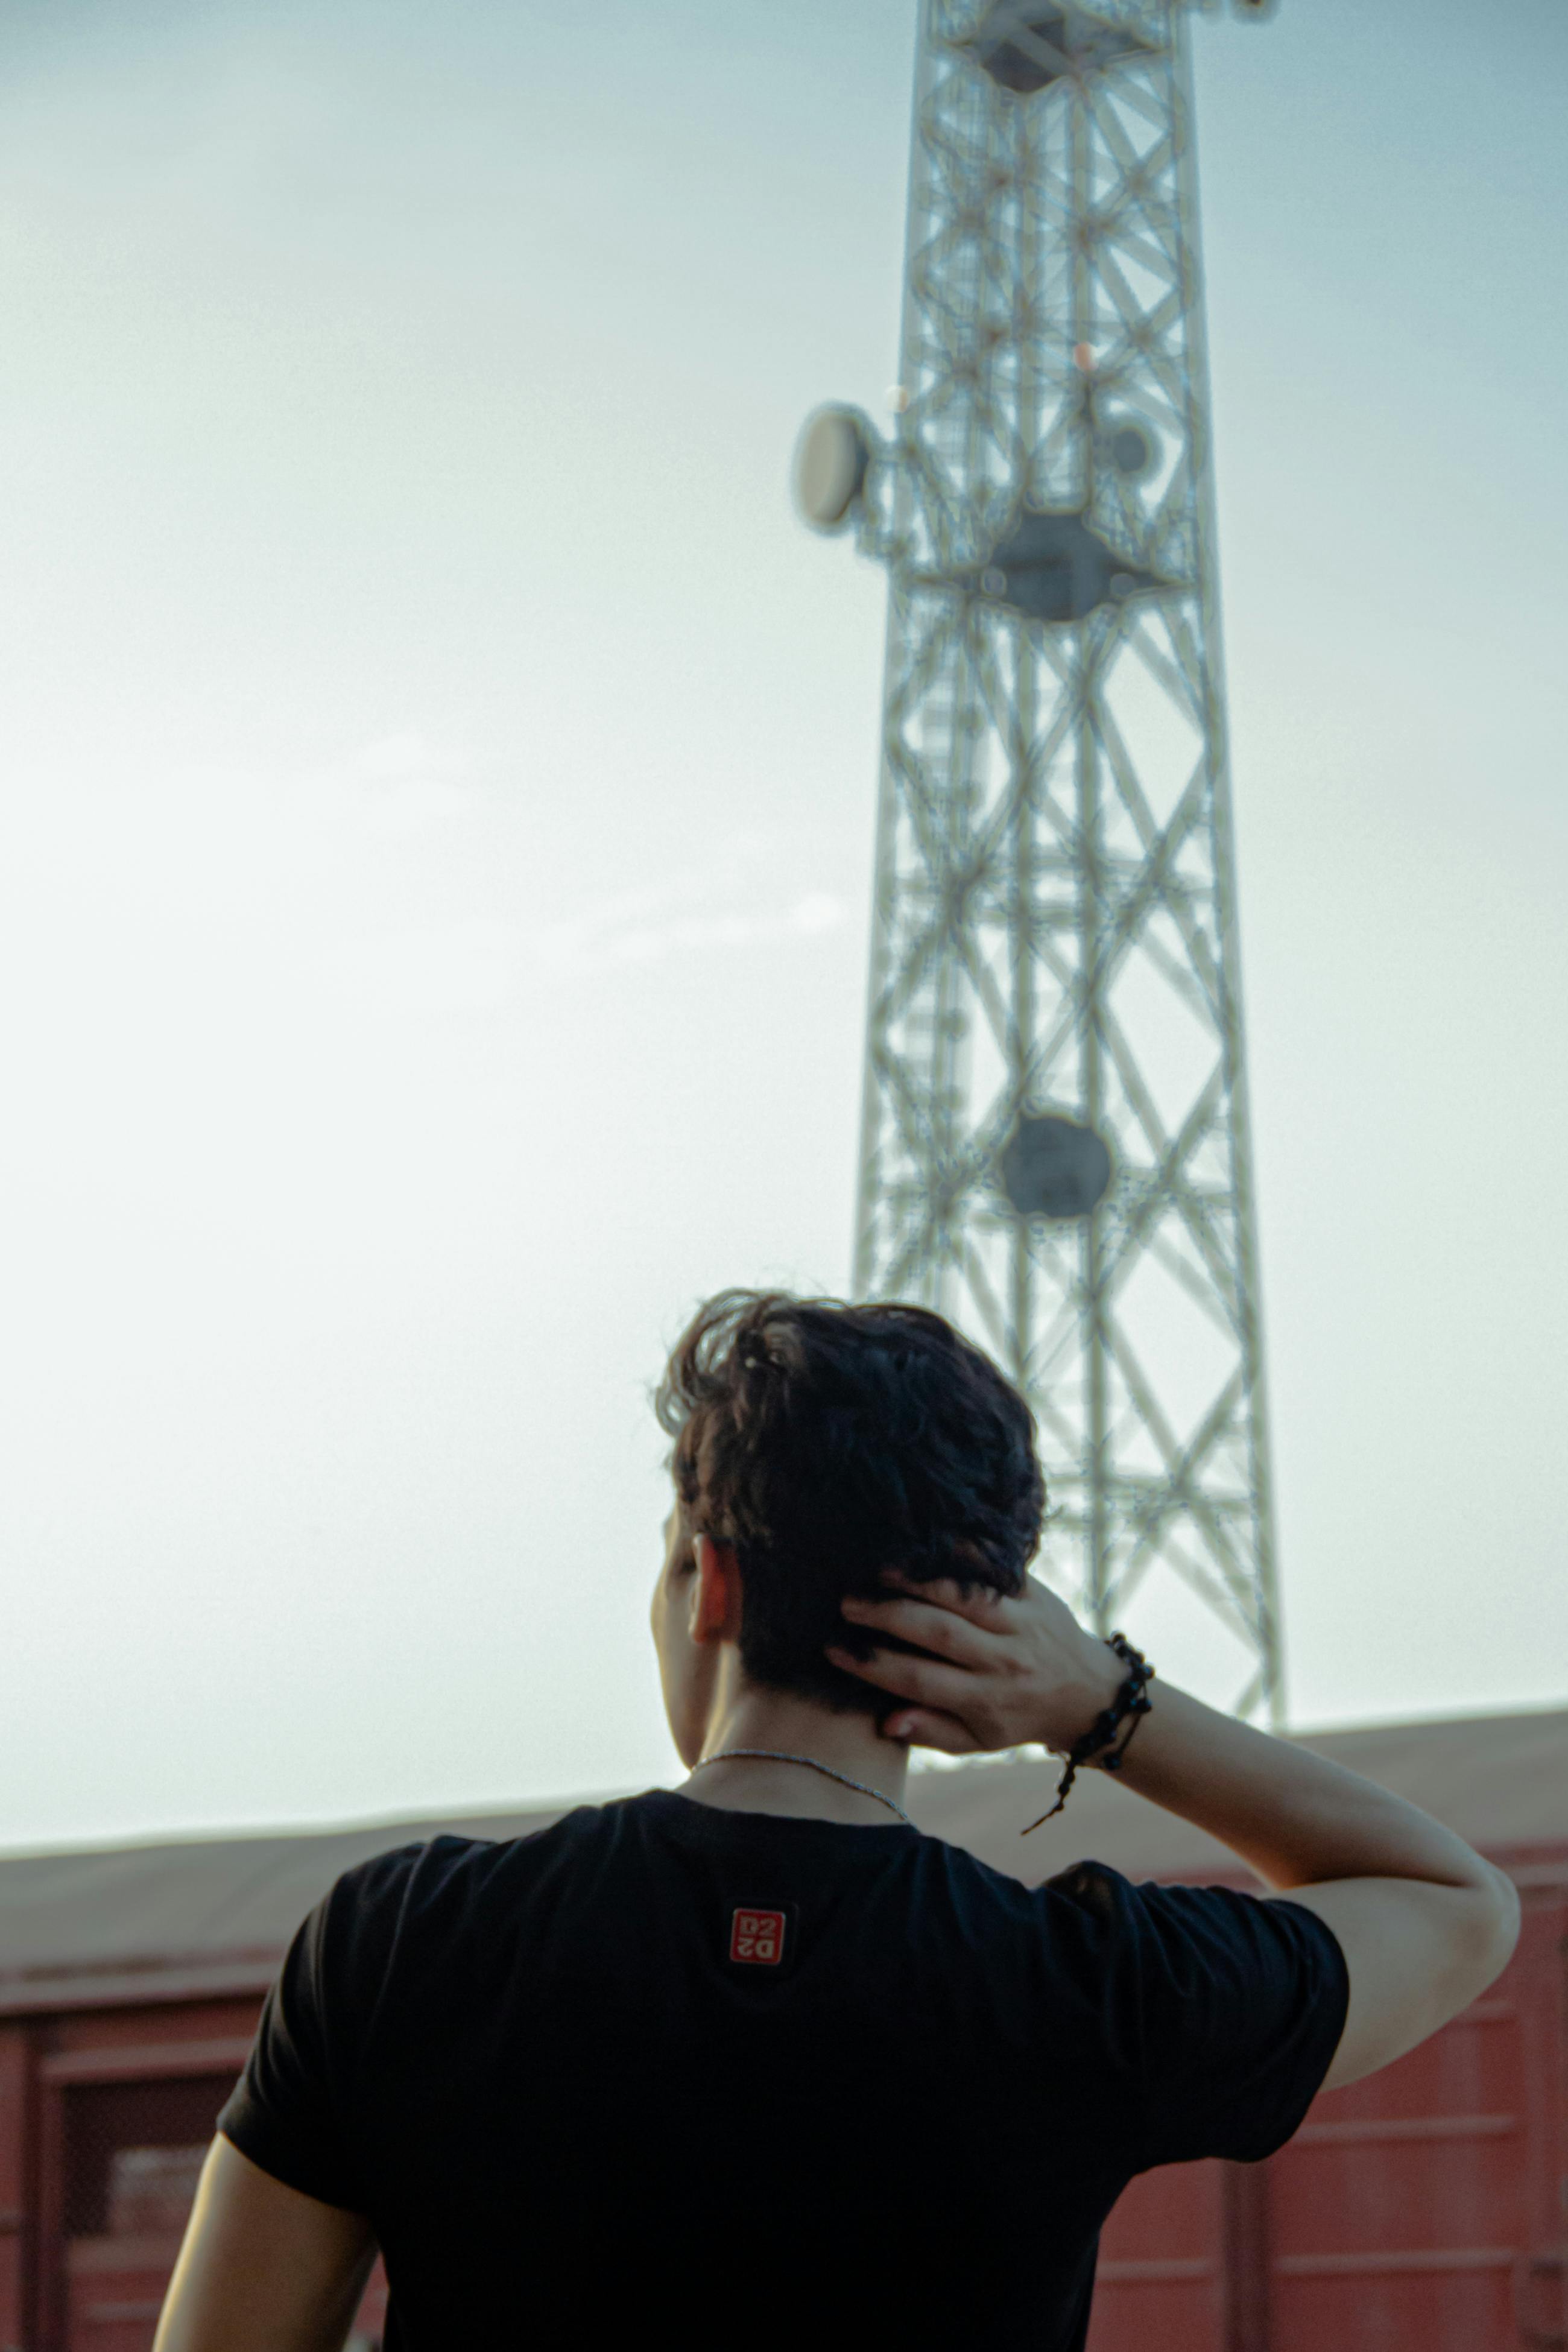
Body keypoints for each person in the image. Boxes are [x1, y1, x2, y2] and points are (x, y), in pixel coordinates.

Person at [153, 1289, 1520, 2352]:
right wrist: (1101, 1702)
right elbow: (1453, 1903)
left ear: (713, 1585)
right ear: (983, 1617)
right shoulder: (1082, 1996)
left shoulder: (402, 1942)